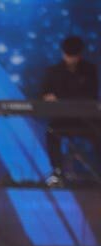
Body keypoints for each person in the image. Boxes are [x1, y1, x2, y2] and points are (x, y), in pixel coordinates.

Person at [41, 35, 100, 182]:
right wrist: (47, 97)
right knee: (51, 132)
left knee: (98, 131)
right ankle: (57, 171)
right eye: (68, 56)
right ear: (63, 53)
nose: (71, 59)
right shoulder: (53, 71)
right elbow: (43, 93)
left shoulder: (89, 70)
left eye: (74, 56)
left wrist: (60, 97)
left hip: (86, 119)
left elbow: (91, 95)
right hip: (62, 119)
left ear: (79, 55)